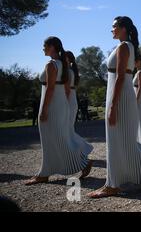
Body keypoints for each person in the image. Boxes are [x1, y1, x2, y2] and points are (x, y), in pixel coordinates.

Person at [87, 17, 141, 198]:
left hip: (120, 98)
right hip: (122, 96)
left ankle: (113, 185)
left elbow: (121, 77)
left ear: (123, 28)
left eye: (114, 26)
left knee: (117, 140)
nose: (111, 29)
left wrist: (113, 105)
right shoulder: (127, 46)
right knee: (123, 140)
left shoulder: (123, 47)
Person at [25, 37, 93, 185]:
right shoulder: (63, 65)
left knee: (52, 138)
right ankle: (45, 171)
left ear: (51, 47)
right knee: (57, 138)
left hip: (52, 105)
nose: (43, 48)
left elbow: (50, 89)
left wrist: (43, 110)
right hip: (60, 104)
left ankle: (80, 163)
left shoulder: (51, 64)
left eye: (44, 46)